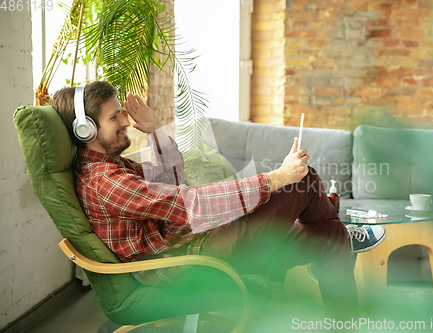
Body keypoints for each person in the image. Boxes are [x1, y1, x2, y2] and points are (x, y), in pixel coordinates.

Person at [52, 80, 386, 314]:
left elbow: (171, 187)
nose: (126, 121)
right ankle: (328, 212)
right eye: (115, 118)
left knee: (331, 235)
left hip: (193, 242)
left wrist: (155, 130)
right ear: (86, 130)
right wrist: (274, 178)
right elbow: (189, 203)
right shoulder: (106, 181)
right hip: (189, 262)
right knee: (302, 181)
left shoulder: (112, 165)